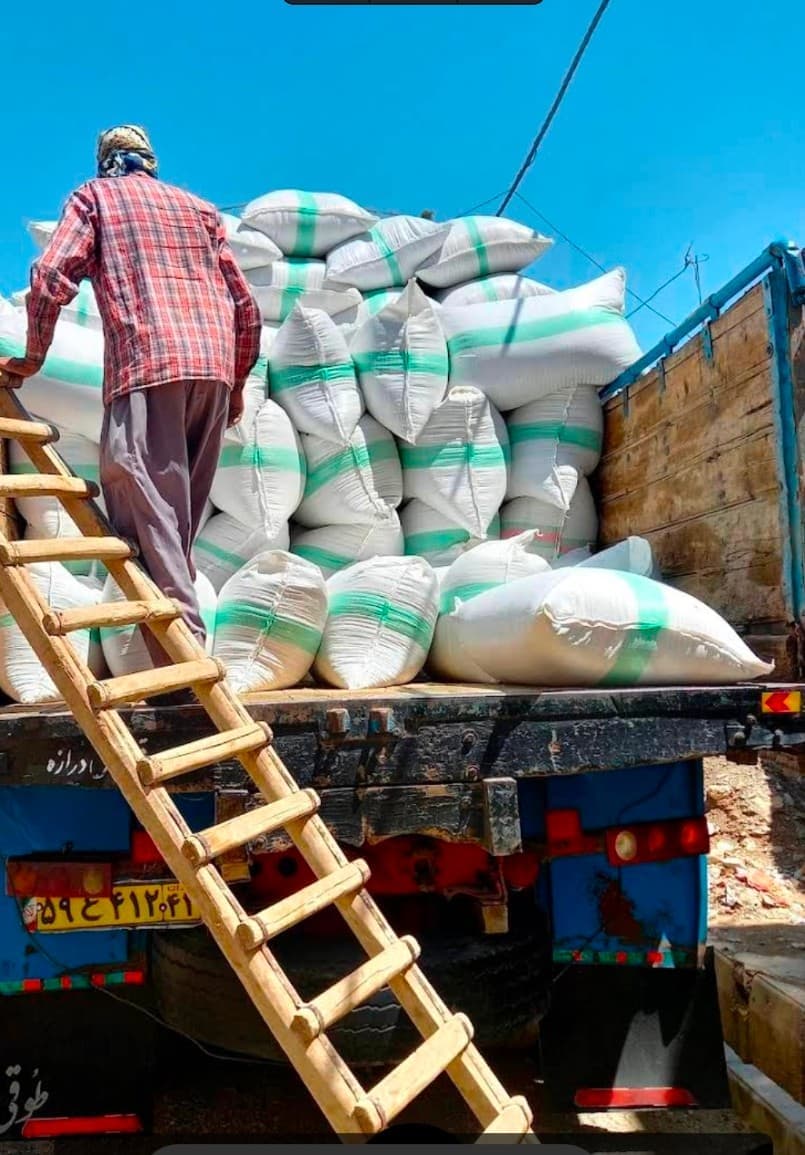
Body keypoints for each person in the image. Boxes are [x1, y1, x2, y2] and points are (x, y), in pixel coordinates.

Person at [0, 125, 262, 676]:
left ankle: (186, 655)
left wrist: (32, 357)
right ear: (150, 161)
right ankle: (174, 651)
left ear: (106, 162)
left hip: (149, 366)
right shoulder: (200, 210)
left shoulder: (95, 199)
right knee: (175, 523)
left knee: (145, 510)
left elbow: (51, 275)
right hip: (213, 370)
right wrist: (235, 384)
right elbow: (246, 306)